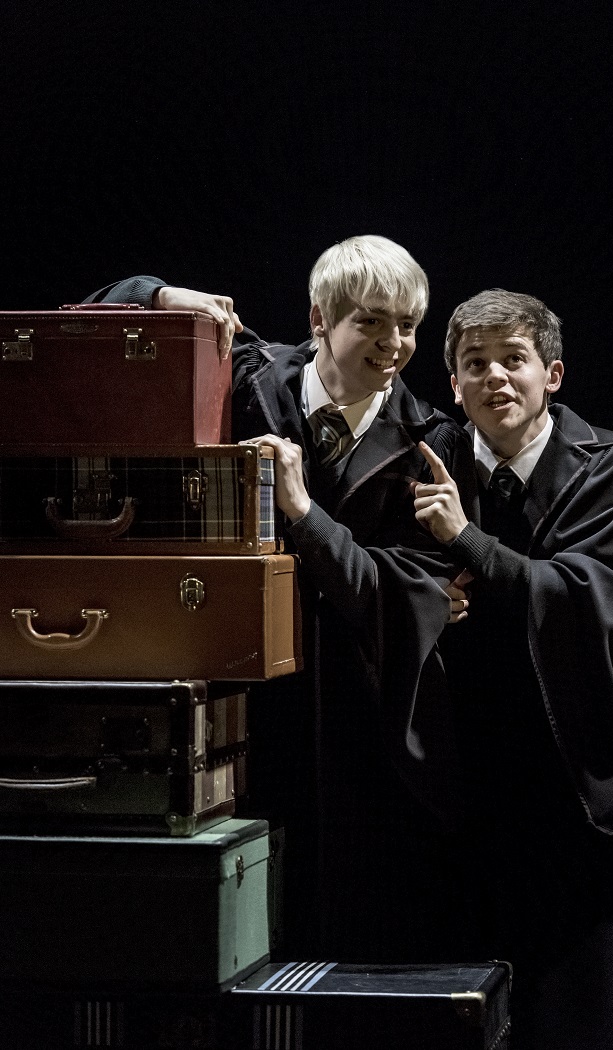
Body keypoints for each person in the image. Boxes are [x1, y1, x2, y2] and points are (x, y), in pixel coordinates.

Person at [82, 237, 477, 961]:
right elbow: (87, 324)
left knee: (338, 938)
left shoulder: (432, 443)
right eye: (371, 322)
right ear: (319, 318)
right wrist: (161, 295)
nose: (394, 344)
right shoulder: (245, 378)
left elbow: (404, 595)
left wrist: (303, 512)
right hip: (235, 704)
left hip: (355, 731)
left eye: (408, 326)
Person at [403, 289, 613, 1050]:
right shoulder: (427, 465)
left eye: (515, 359)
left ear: (553, 375)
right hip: (470, 787)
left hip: (579, 785)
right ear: (454, 384)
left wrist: (469, 543)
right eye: (476, 364)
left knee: (580, 1006)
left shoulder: (612, 470)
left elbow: (590, 600)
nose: (496, 377)